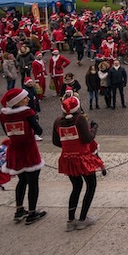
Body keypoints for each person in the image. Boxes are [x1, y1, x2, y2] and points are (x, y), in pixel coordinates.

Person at [52, 96, 104, 231]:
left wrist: (68, 146)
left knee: (76, 187)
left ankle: (70, 220)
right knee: (91, 186)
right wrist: (94, 128)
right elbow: (87, 138)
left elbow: (56, 141)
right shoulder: (79, 119)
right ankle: (82, 219)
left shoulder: (58, 121)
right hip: (83, 158)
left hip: (68, 158)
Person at [0, 88, 46, 224]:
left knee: (22, 180)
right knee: (33, 182)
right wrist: (35, 120)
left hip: (14, 150)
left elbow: (7, 133)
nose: (28, 99)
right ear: (18, 101)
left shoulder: (4, 116)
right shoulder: (27, 113)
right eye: (25, 97)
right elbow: (39, 130)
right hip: (29, 150)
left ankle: (19, 210)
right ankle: (32, 212)